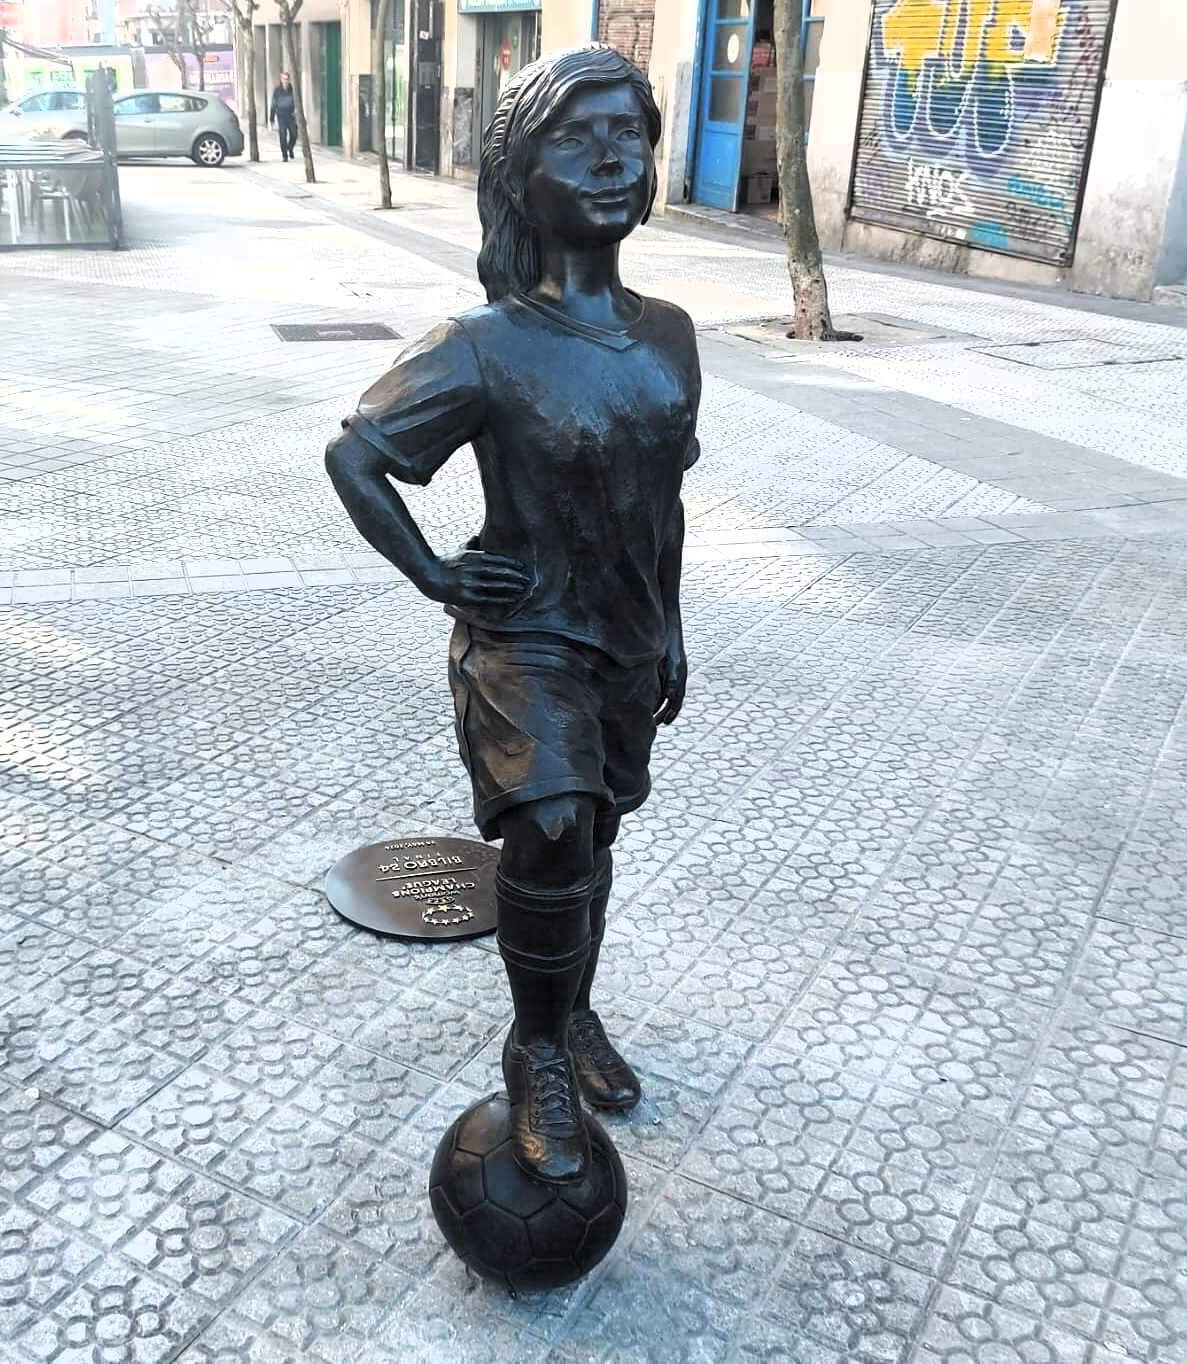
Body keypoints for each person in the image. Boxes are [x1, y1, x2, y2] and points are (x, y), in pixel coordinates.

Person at [325, 46, 700, 1184]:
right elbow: (357, 458)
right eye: (576, 137)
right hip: (526, 634)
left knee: (598, 832)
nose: (610, 157)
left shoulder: (671, 333)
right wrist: (435, 574)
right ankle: (535, 1046)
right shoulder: (481, 345)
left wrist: (673, 626)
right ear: (520, 175)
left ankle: (572, 1009)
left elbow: (664, 499)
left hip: (626, 636)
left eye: (628, 134)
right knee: (552, 825)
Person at [270, 72, 297, 162]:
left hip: (291, 115)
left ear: (289, 80)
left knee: (294, 134)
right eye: (284, 79)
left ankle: (290, 147)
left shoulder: (292, 90)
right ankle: (284, 155)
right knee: (283, 135)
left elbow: (296, 102)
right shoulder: (277, 90)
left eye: (287, 79)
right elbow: (273, 104)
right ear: (281, 80)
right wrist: (272, 118)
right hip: (281, 115)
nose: (285, 81)